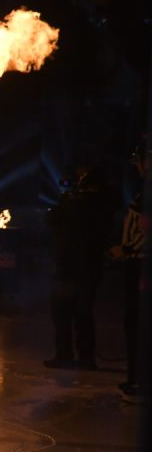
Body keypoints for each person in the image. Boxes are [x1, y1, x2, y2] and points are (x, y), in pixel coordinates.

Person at [45, 164, 113, 370]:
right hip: (89, 265)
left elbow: (52, 219)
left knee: (64, 310)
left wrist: (66, 200)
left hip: (71, 265)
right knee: (83, 312)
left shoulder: (75, 203)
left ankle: (66, 355)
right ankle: (85, 358)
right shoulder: (103, 204)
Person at [109, 140, 146, 396]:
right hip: (137, 262)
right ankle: (136, 377)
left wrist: (129, 249)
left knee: (138, 324)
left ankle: (139, 380)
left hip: (142, 264)